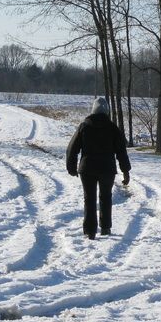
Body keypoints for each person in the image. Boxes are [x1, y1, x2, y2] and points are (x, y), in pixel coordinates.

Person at [66, 97, 131, 240]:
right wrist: (125, 171)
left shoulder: (84, 126)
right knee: (106, 197)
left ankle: (90, 231)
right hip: (107, 169)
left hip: (87, 169)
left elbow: (72, 148)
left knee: (89, 198)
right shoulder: (112, 128)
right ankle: (105, 227)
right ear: (107, 111)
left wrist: (71, 167)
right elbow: (121, 151)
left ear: (93, 110)